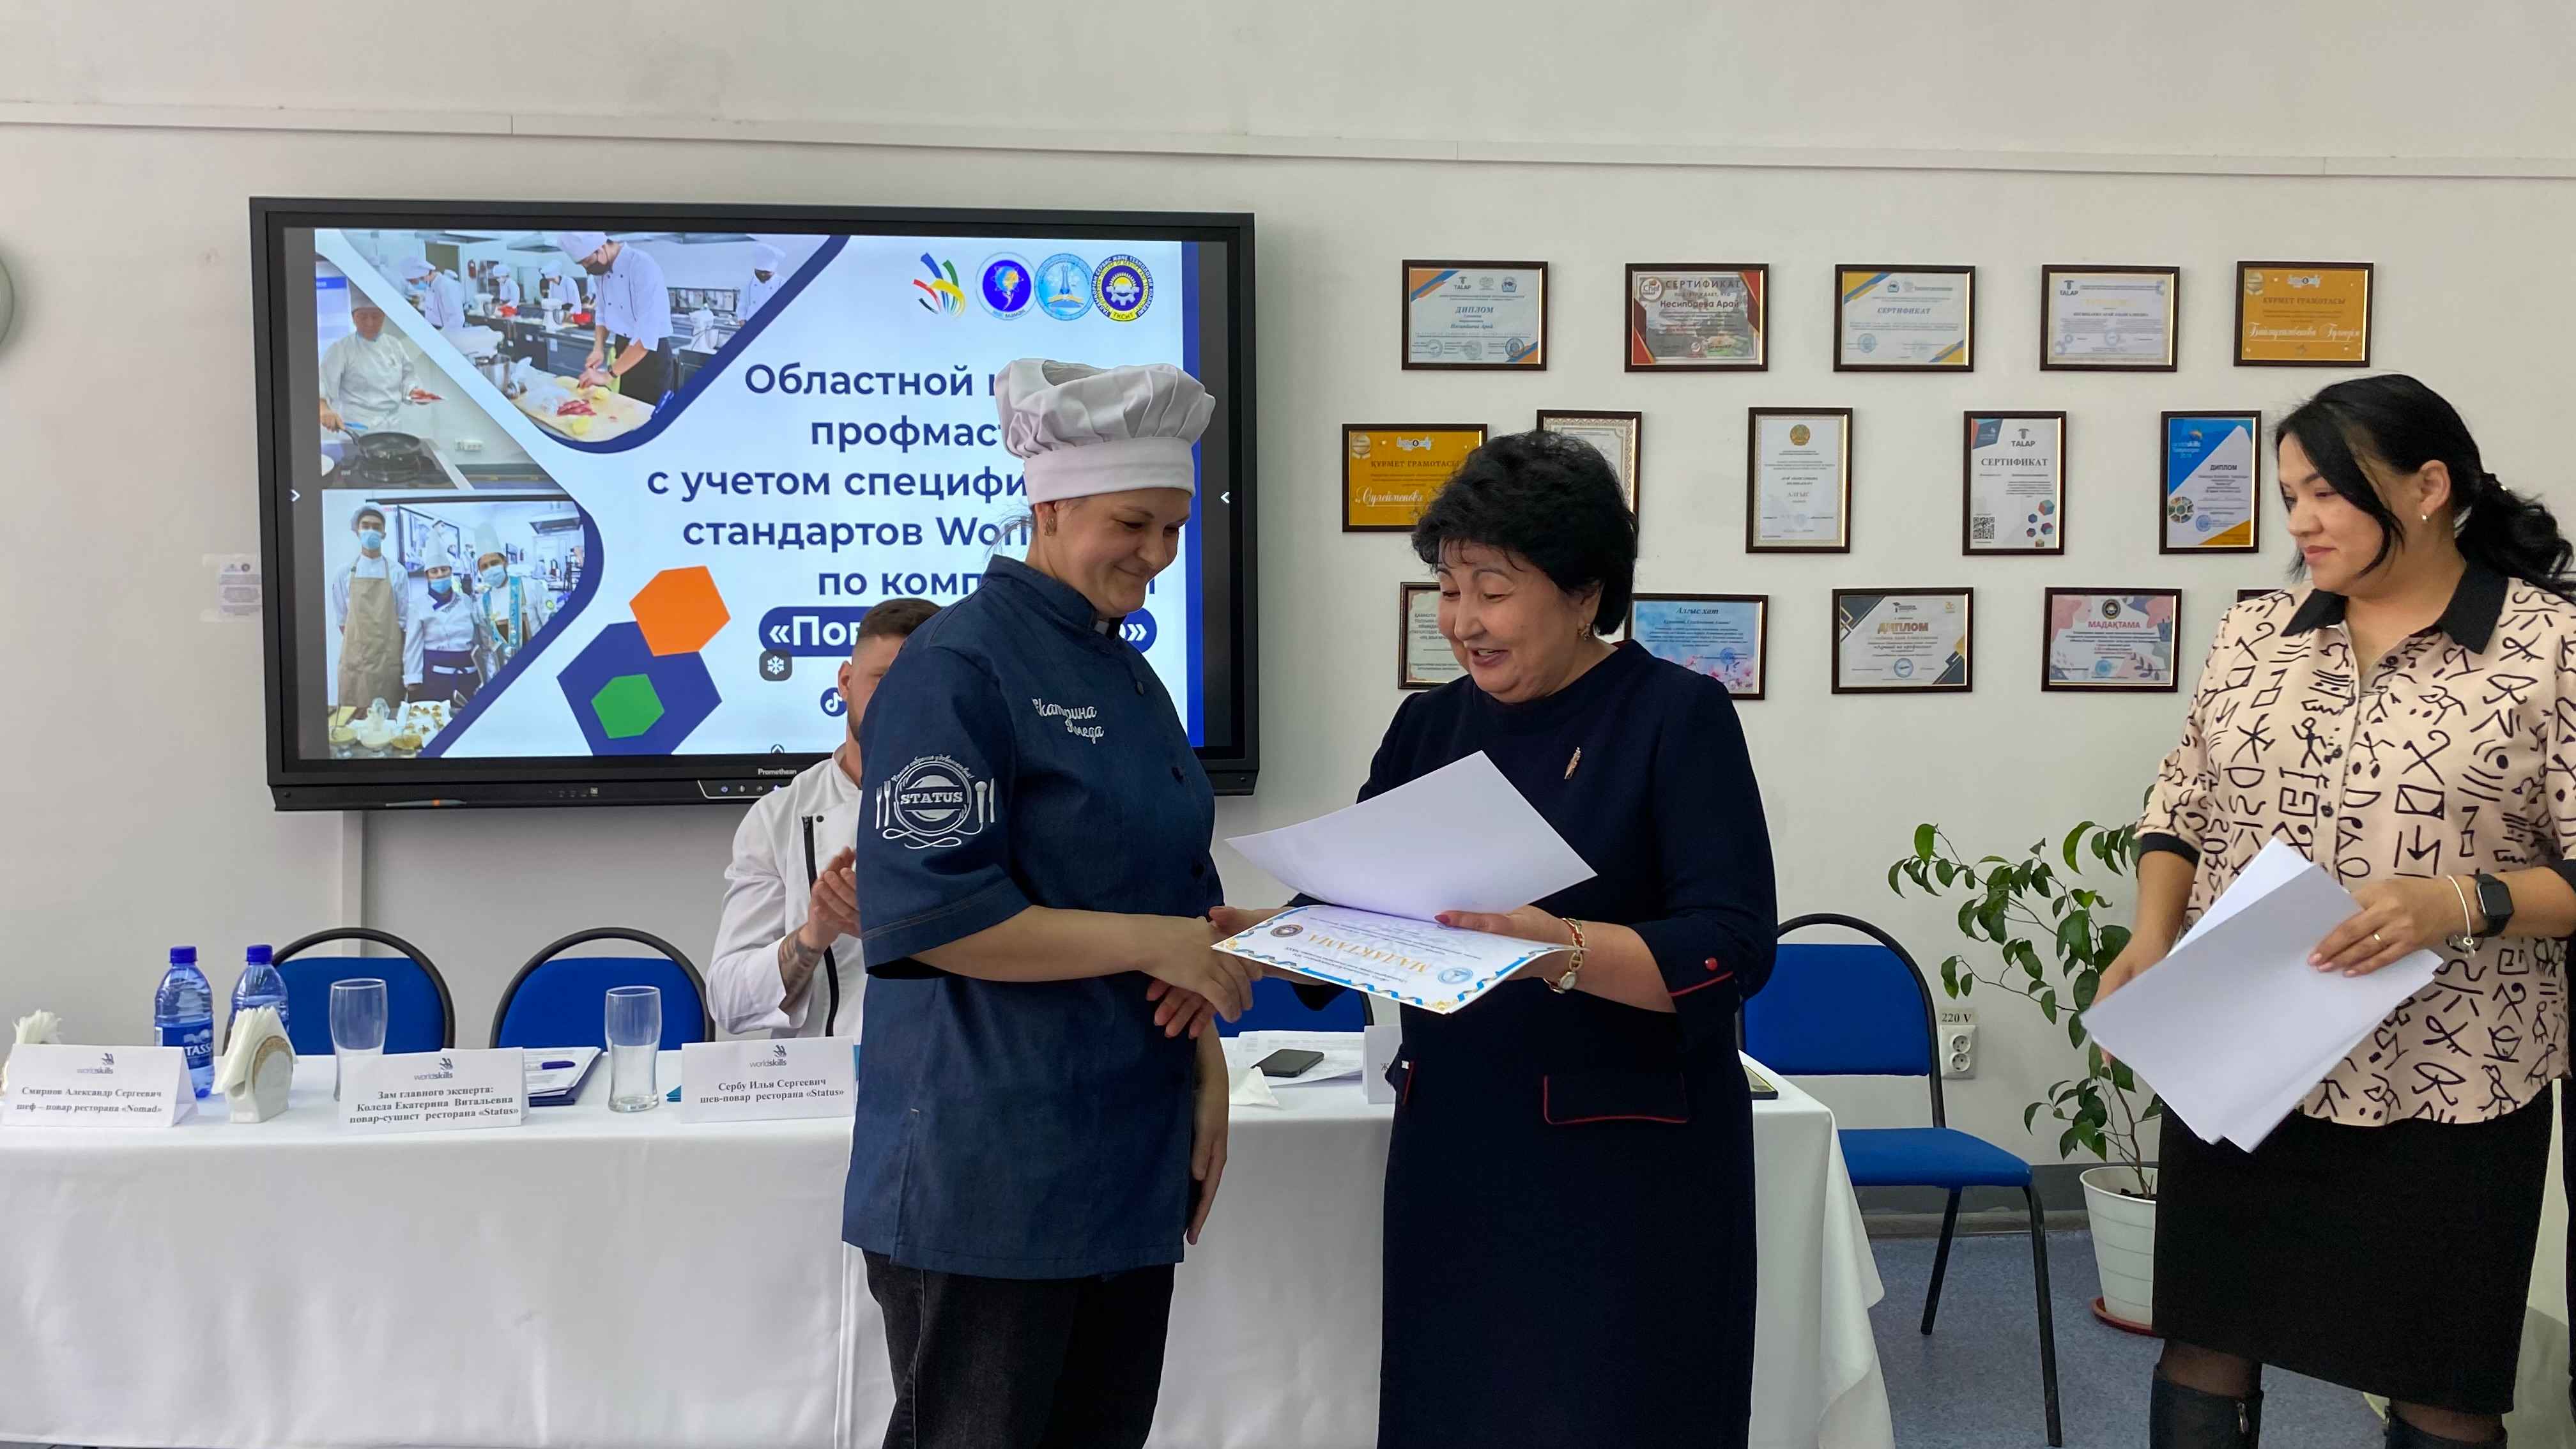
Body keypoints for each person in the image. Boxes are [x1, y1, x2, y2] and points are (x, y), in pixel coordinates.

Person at [1192, 429, 1779, 1448]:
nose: (1463, 621)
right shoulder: (1431, 728)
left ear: (1586, 593)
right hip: (1458, 1155)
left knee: (1619, 1416)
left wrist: (1560, 949)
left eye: (1493, 590)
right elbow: (1360, 900)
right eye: (1449, 588)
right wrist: (1275, 937)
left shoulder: (1675, 718)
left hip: (1627, 1175)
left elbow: (1732, 948)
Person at [2101, 374, 2576, 1449]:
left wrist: (2457, 901)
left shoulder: (2548, 646)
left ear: (2427, 487)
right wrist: (2151, 934)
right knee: (2204, 1344)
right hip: (2245, 1041)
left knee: (2441, 1384)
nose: (2301, 522)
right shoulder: (2257, 633)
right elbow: (2183, 796)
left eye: (2326, 493)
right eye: (2289, 496)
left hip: (2453, 1076)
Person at [844, 359, 1256, 1449]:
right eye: (1132, 523)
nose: (1157, 554)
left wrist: (1205, 1067)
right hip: (990, 1165)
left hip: (1124, 1151)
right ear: (1052, 507)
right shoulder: (956, 666)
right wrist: (1161, 942)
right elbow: (937, 917)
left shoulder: (1128, 675)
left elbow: (1174, 900)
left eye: (1173, 528)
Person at [707, 598, 938, 1039]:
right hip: (821, 1074)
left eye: (923, 683)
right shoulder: (778, 817)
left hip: (947, 1069)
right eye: (884, 680)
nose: (903, 700)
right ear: (846, 682)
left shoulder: (987, 802)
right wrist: (815, 933)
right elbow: (728, 1001)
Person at [552, 231, 673, 404]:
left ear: (601, 247)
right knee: (625, 408)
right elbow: (602, 314)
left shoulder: (642, 266)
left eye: (588, 261)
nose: (587, 268)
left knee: (648, 413)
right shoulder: (601, 273)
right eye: (582, 264)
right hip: (623, 348)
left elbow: (646, 338)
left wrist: (607, 376)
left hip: (651, 356)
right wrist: (598, 349)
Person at [317, 291, 436, 434]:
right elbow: (322, 385)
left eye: (375, 316)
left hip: (393, 430)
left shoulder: (394, 345)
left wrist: (415, 393)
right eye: (363, 317)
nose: (370, 323)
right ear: (353, 318)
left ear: (384, 316)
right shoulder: (341, 349)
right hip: (356, 431)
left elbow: (407, 379)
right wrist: (323, 409)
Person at [331, 504, 408, 712]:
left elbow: (402, 621)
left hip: (388, 662)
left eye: (376, 527)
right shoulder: (344, 573)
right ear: (357, 531)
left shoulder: (398, 572)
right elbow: (342, 621)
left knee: (388, 717)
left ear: (384, 534)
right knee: (353, 719)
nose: (371, 531)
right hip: (356, 662)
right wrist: (360, 646)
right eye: (366, 526)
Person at [403, 544, 481, 705]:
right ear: (427, 576)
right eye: (434, 571)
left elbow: (477, 639)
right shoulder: (418, 606)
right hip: (435, 679)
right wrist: (413, 679)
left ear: (451, 572)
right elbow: (413, 646)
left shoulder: (466, 600)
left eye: (444, 570)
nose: (440, 575)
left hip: (469, 676)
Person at [468, 533, 553, 680]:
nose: (490, 569)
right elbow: (487, 647)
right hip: (506, 675)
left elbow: (553, 627)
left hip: (540, 666)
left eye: (494, 563)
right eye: (485, 567)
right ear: (480, 572)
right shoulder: (482, 604)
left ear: (505, 562)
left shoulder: (532, 587)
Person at [399, 255, 467, 332]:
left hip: (449, 334)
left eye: (413, 281)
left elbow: (457, 319)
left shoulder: (446, 286)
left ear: (423, 276)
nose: (412, 285)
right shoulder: (431, 287)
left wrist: (444, 334)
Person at [739, 241, 786, 319]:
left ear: (774, 271)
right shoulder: (749, 283)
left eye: (766, 272)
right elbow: (742, 305)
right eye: (759, 272)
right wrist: (742, 320)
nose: (763, 275)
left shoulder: (782, 283)